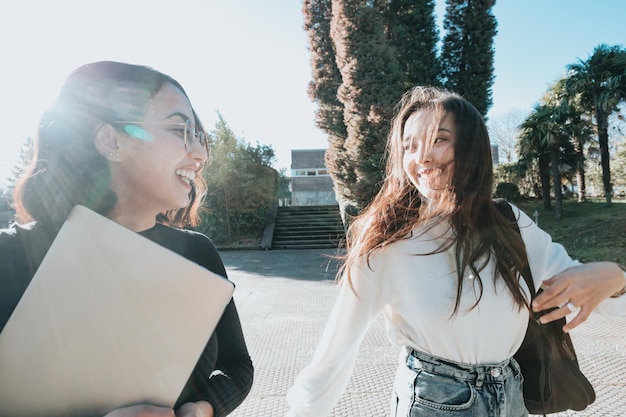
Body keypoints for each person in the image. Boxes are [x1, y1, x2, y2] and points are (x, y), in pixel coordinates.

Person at [285, 86, 626, 416]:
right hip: (436, 402)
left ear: (471, 147)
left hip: (513, 396)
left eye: (440, 139)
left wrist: (617, 280)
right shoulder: (388, 239)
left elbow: (595, 294)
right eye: (410, 145)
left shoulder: (510, 223)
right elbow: (336, 349)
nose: (422, 157)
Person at [0, 61, 253, 417]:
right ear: (111, 140)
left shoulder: (197, 252)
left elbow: (237, 366)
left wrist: (203, 409)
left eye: (199, 136)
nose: (200, 154)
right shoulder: (11, 256)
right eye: (180, 130)